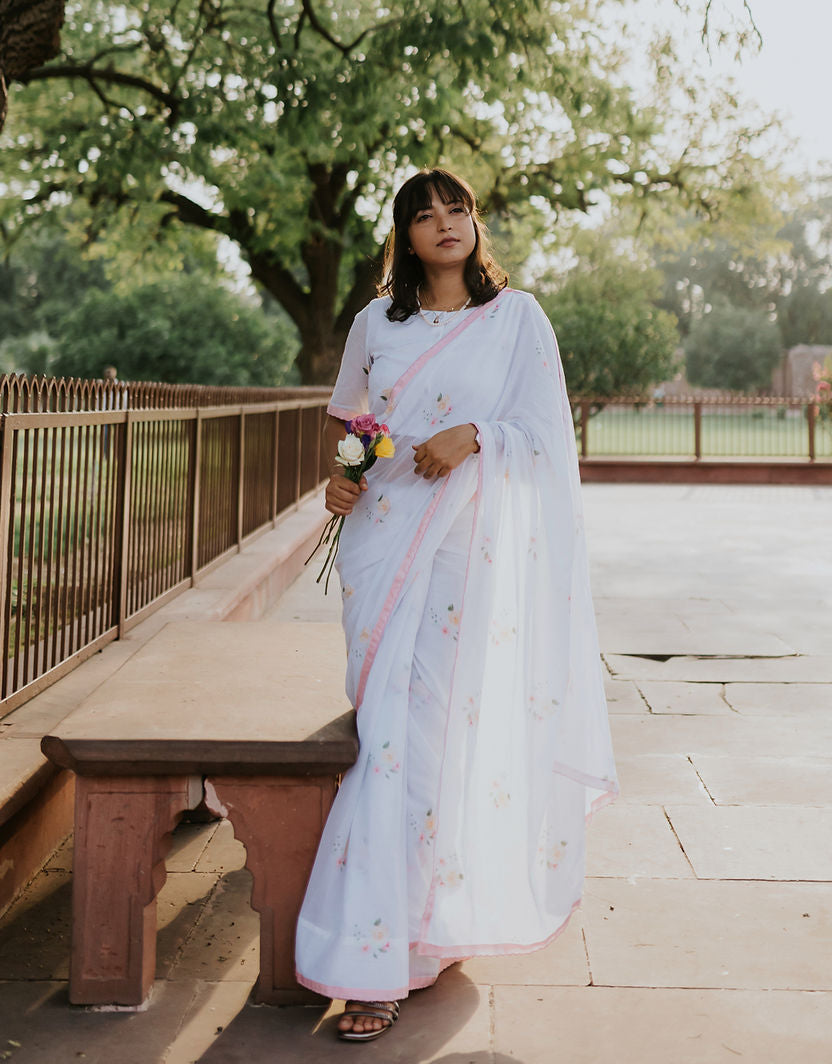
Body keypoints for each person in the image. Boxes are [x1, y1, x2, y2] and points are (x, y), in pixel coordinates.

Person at [294, 169, 618, 1042]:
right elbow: (354, 424)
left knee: (427, 750)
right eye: (424, 214)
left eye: (458, 209)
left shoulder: (518, 319)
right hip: (383, 544)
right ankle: (400, 936)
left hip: (465, 558)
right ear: (403, 235)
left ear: (475, 223)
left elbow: (546, 437)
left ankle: (389, 956)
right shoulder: (376, 322)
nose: (445, 223)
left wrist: (475, 434)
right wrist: (342, 479)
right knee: (387, 739)